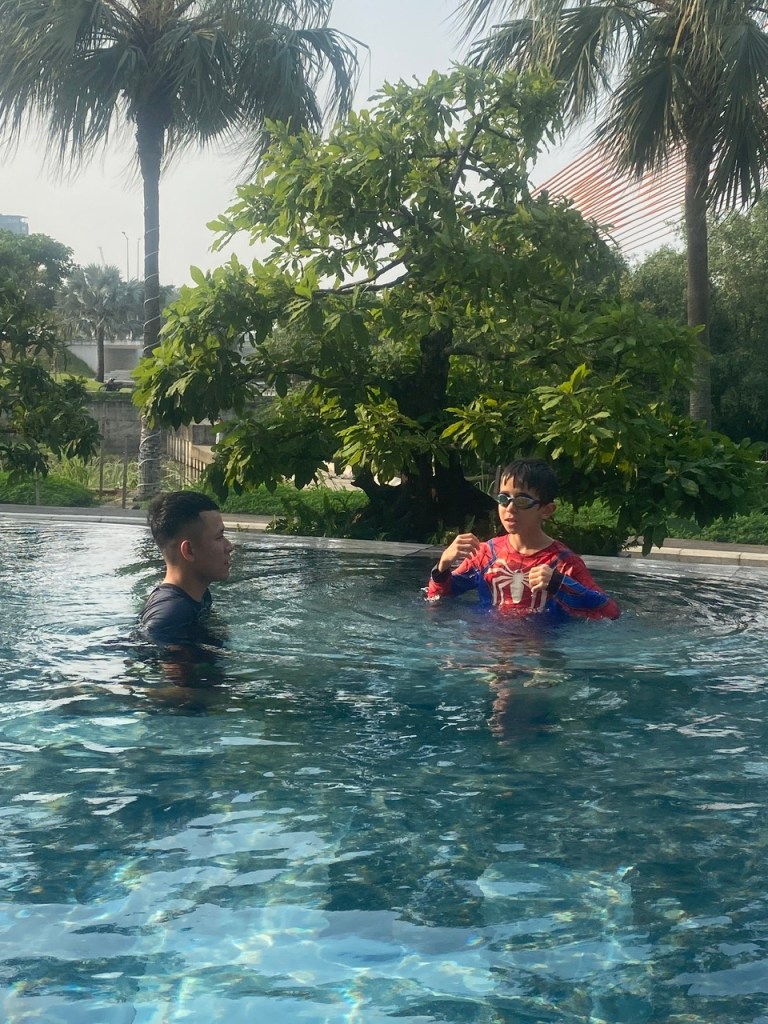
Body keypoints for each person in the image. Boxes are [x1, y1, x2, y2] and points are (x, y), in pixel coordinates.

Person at [426, 458, 620, 622]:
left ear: (547, 510)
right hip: (488, 645)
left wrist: (559, 583)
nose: (510, 508)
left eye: (522, 501)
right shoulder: (487, 554)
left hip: (538, 647)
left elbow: (611, 612)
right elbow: (437, 597)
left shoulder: (563, 563)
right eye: (503, 499)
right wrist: (443, 566)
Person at [139, 490, 234, 647]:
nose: (229, 546)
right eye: (219, 537)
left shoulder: (200, 596)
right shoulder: (170, 616)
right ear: (189, 551)